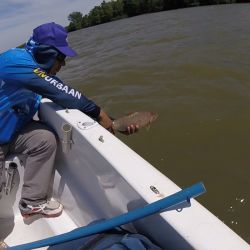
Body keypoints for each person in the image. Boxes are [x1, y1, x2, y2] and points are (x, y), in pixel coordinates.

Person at [0, 22, 137, 218]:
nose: (63, 64)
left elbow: (67, 96)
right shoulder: (15, 61)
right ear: (47, 53)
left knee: (43, 139)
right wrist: (100, 114)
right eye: (61, 57)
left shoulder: (38, 73)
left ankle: (31, 202)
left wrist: (115, 123)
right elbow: (63, 93)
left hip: (9, 133)